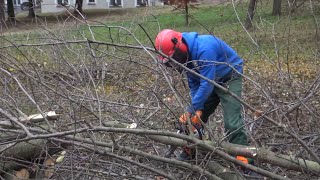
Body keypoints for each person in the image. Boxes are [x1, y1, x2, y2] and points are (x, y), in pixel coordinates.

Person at [155, 29, 251, 163]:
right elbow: (195, 83)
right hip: (210, 79)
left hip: (229, 76)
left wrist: (191, 109)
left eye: (174, 58)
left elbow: (206, 84)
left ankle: (244, 160)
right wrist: (197, 108)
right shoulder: (187, 56)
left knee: (232, 121)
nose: (174, 62)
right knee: (194, 119)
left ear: (179, 45)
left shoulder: (204, 49)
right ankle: (190, 148)